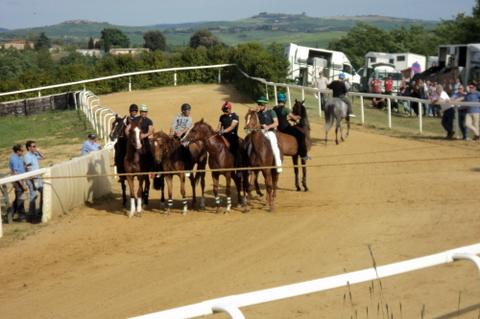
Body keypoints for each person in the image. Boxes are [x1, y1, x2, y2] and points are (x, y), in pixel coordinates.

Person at [273, 93, 309, 161]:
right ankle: (303, 155)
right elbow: (295, 118)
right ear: (285, 101)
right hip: (286, 128)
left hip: (278, 128)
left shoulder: (274, 108)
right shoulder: (286, 109)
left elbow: (279, 118)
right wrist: (299, 117)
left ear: (278, 100)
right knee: (302, 135)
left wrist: (288, 119)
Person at [256, 97, 282, 173]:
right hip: (260, 132)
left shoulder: (271, 112)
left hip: (270, 132)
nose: (259, 106)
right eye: (258, 104)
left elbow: (276, 123)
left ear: (264, 105)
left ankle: (278, 165)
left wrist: (268, 127)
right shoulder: (258, 113)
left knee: (274, 146)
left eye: (260, 105)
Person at [24, 140, 45, 220]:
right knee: (33, 196)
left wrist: (38, 151)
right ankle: (31, 215)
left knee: (43, 192)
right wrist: (32, 179)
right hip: (32, 178)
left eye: (35, 146)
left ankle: (40, 210)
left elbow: (43, 157)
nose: (35, 148)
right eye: (33, 146)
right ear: (29, 147)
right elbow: (28, 167)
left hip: (38, 177)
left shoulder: (34, 154)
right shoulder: (27, 156)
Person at [217, 101, 241, 166]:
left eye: (226, 109)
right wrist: (216, 132)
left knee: (237, 149)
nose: (225, 111)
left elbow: (232, 127)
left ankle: (238, 165)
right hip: (223, 136)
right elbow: (218, 127)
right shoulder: (221, 117)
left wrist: (222, 131)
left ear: (230, 109)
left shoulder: (235, 116)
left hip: (232, 136)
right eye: (224, 110)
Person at [8, 144, 27, 221]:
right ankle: (21, 216)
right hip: (17, 181)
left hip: (21, 179)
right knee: (20, 198)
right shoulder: (14, 159)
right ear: (18, 151)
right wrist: (22, 184)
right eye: (22, 151)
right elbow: (16, 172)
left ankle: (10, 214)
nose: (23, 152)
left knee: (18, 198)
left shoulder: (19, 158)